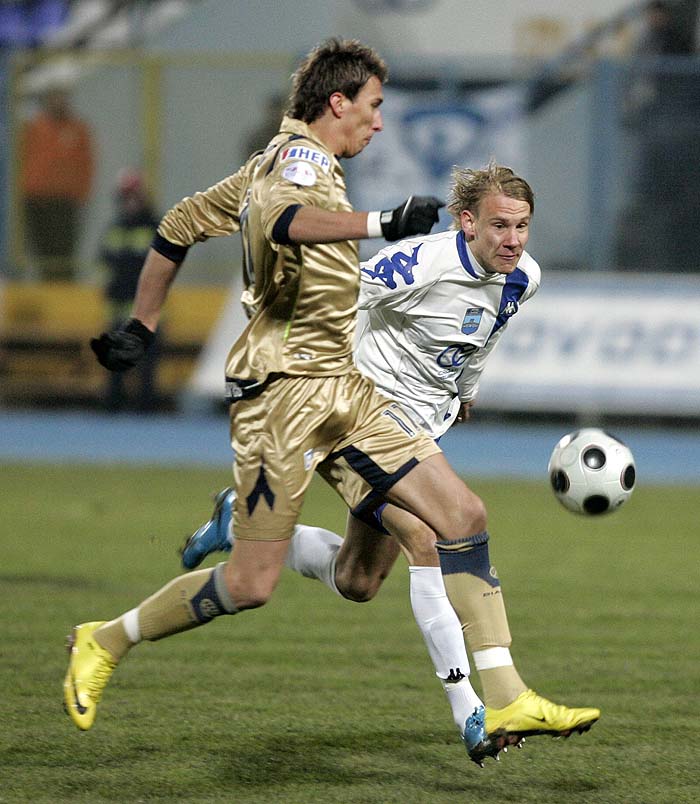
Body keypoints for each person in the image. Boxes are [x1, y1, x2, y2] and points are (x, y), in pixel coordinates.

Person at [63, 38, 505, 767]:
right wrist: (380, 223)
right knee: (251, 584)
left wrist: (143, 323)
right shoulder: (298, 164)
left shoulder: (273, 163)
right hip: (283, 397)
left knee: (449, 523)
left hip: (346, 387)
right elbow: (283, 222)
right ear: (338, 103)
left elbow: (177, 225)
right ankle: (105, 638)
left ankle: (497, 696)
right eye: (373, 107)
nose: (379, 123)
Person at [183, 162, 601, 745]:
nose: (512, 240)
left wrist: (466, 390)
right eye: (500, 226)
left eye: (522, 227)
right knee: (436, 534)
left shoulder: (522, 278)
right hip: (361, 416)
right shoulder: (425, 263)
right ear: (466, 221)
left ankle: (243, 521)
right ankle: (472, 711)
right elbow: (340, 297)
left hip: (420, 427)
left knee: (357, 579)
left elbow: (486, 335)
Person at [97, 169, 161, 412]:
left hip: (147, 311)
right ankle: (112, 406)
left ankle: (145, 408)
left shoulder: (154, 227)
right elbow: (104, 263)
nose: (129, 202)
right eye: (125, 197)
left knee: (146, 366)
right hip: (118, 308)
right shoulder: (115, 229)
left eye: (132, 196)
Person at [20, 86, 94, 281]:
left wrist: (82, 194)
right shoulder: (35, 128)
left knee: (63, 249)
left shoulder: (77, 130)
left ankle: (63, 285)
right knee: (41, 248)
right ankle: (46, 283)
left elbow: (86, 164)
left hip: (64, 201)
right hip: (36, 199)